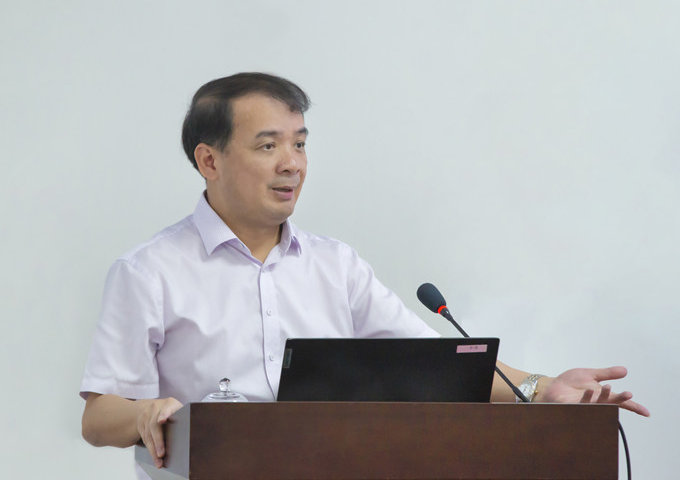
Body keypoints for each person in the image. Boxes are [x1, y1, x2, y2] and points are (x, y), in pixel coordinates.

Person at [80, 72, 649, 477]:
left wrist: (544, 389)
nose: (292, 163)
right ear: (210, 160)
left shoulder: (336, 265)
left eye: (300, 144)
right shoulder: (149, 271)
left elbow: (435, 362)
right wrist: (144, 411)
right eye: (268, 145)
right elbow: (98, 416)